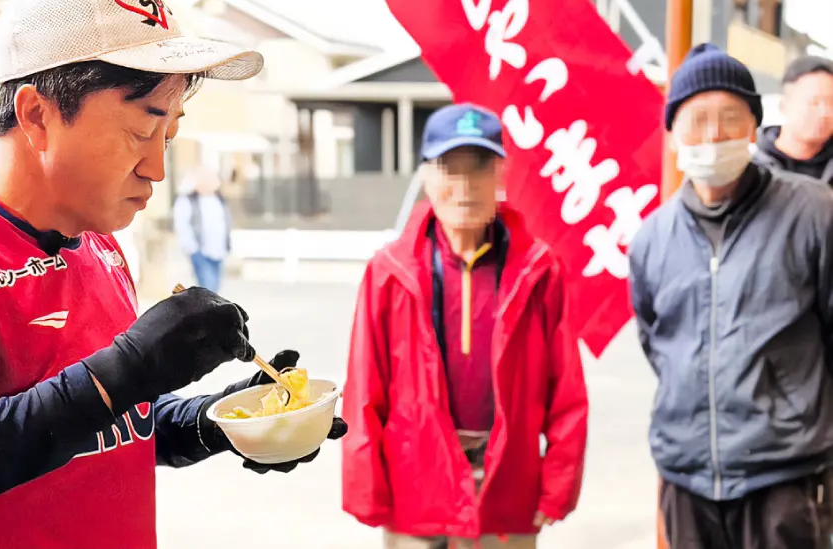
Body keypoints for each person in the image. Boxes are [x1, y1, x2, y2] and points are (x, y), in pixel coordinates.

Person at [0, 0, 345, 549]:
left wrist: (213, 422)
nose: (157, 167)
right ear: (37, 115)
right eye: (143, 131)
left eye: (171, 135)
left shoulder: (100, 244)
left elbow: (100, 425)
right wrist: (130, 367)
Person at [342, 104, 588, 549]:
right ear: (425, 176)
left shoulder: (539, 270)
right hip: (415, 481)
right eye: (447, 169)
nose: (464, 187)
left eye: (479, 168)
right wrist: (367, 489)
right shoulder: (390, 271)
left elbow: (566, 390)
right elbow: (364, 390)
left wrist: (557, 488)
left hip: (508, 482)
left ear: (501, 173)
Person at [628, 43, 833, 549]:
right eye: (696, 120)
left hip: (783, 473)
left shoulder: (813, 213)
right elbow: (657, 342)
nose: (713, 135)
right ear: (672, 133)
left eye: (729, 118)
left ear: (753, 127)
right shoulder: (652, 237)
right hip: (686, 475)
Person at [754, 55, 833, 182]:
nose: (824, 112)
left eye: (831, 103)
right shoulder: (752, 171)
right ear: (784, 106)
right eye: (814, 102)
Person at [173, 166, 232, 292]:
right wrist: (191, 248)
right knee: (208, 289)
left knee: (215, 290)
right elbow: (182, 225)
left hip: (218, 251)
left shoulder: (219, 200)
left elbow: (225, 223)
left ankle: (211, 311)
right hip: (200, 251)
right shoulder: (188, 200)